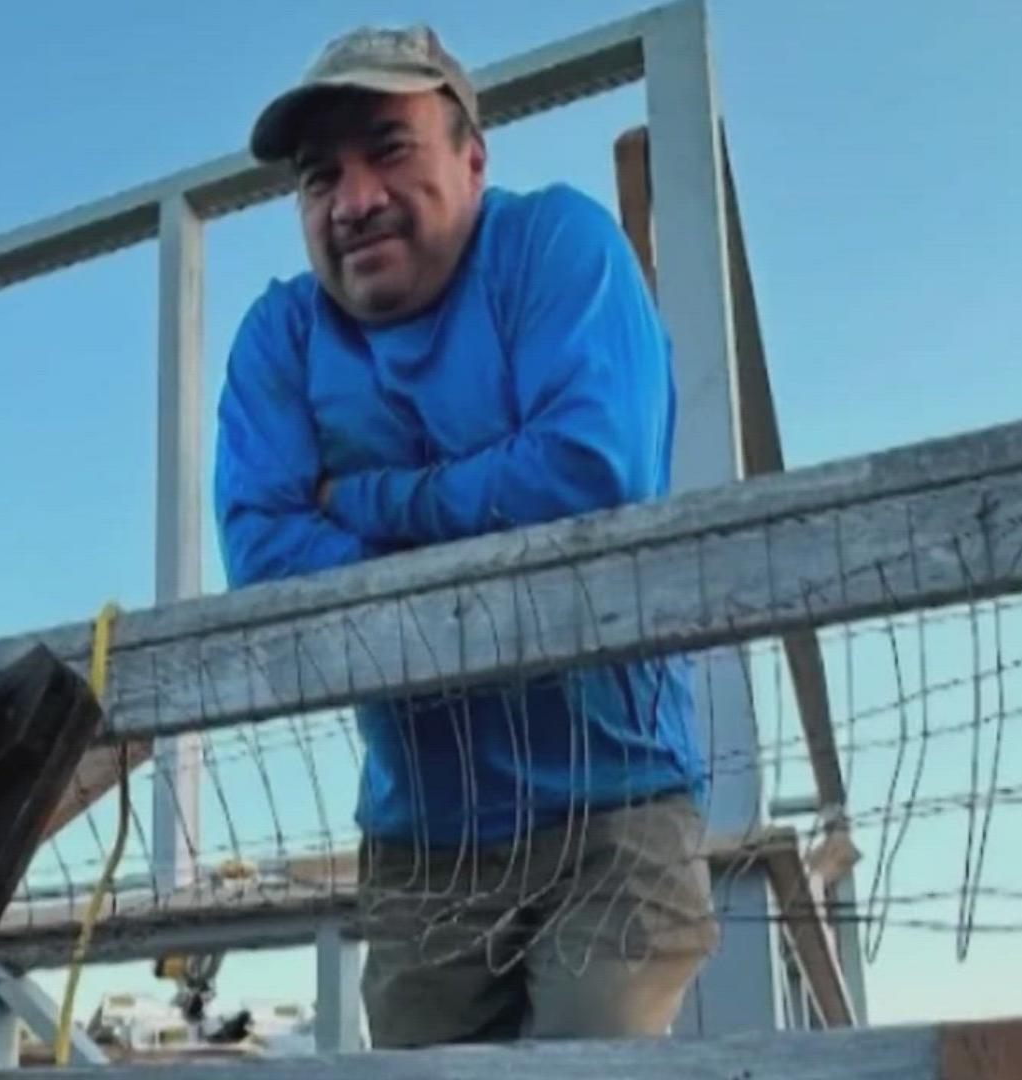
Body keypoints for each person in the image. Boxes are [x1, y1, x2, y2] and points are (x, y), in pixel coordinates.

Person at [214, 25, 720, 1046]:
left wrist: (367, 503)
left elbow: (590, 471)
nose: (354, 200)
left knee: (591, 1060)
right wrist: (477, 511)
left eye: (389, 150)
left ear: (473, 158)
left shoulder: (558, 249)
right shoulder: (282, 337)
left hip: (614, 809)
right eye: (321, 177)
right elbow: (264, 552)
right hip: (420, 844)